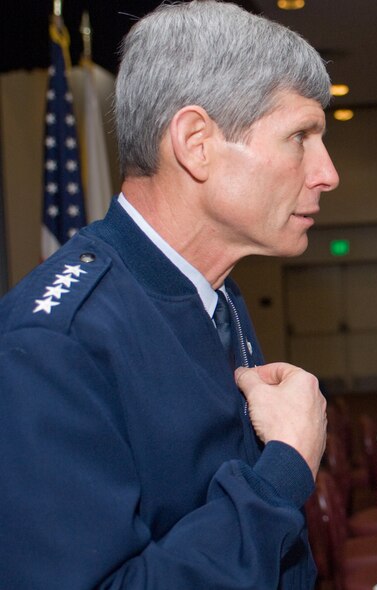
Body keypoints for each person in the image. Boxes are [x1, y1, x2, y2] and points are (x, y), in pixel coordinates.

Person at [0, 2, 338, 587]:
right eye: (300, 136)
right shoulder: (54, 344)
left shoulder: (211, 291)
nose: (327, 172)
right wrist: (281, 470)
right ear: (196, 142)